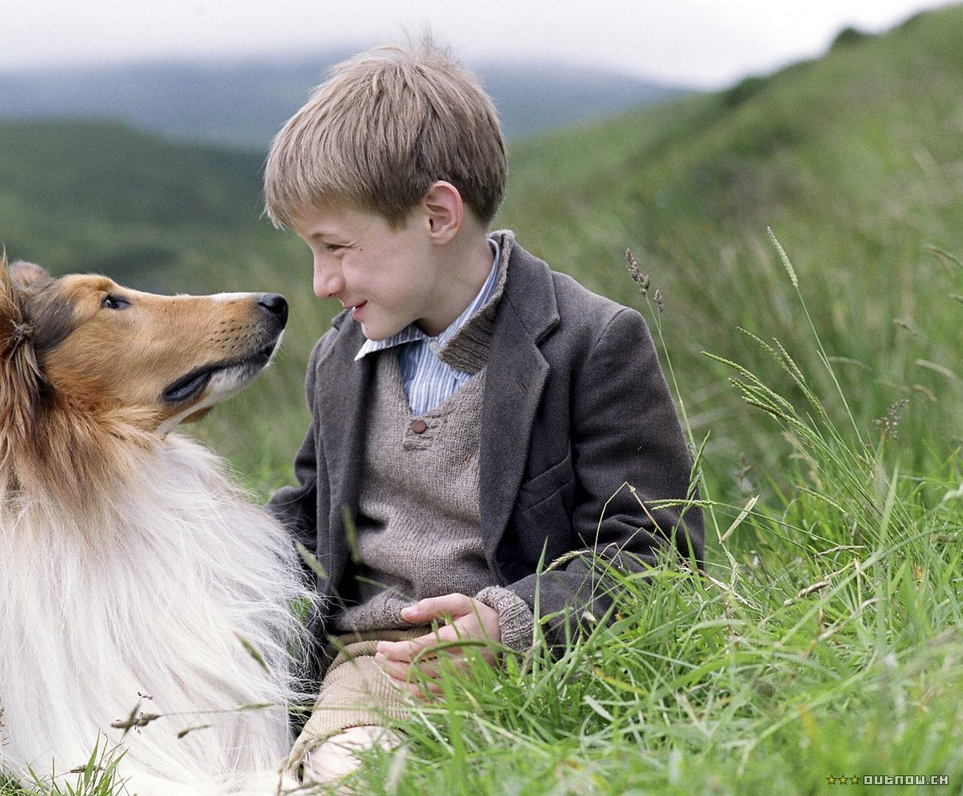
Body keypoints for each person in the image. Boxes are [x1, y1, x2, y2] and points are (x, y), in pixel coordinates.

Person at [263, 38, 703, 787]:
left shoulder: (593, 343)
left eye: (336, 247)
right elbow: (304, 521)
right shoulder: (337, 361)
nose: (320, 282)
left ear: (437, 214)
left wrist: (509, 624)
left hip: (532, 660)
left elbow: (658, 555)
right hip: (371, 667)